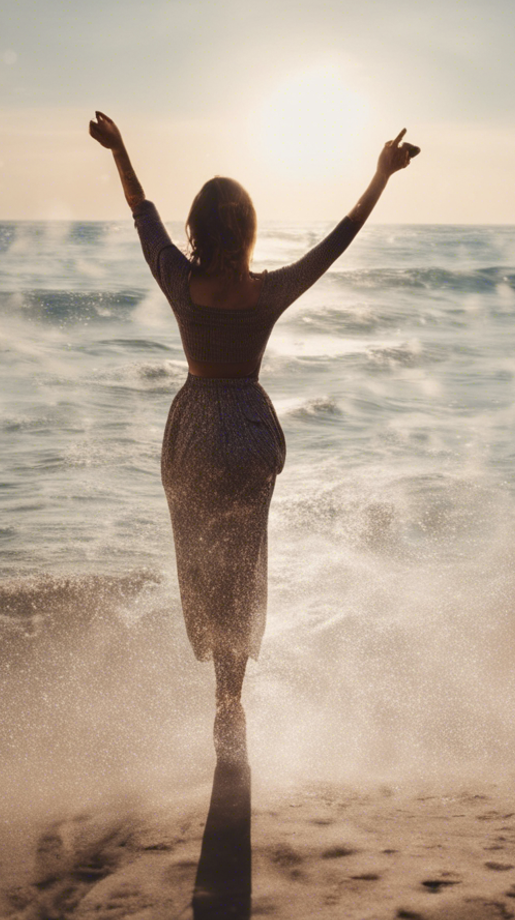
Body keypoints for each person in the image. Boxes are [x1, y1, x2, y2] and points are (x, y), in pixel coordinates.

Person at [88, 111, 417, 764]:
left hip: (193, 438)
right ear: (249, 229)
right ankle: (230, 698)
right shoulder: (267, 292)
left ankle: (217, 684)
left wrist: (120, 148)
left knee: (203, 565)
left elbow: (140, 212)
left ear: (197, 231)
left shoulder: (181, 284)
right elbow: (338, 241)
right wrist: (380, 175)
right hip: (248, 436)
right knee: (242, 570)